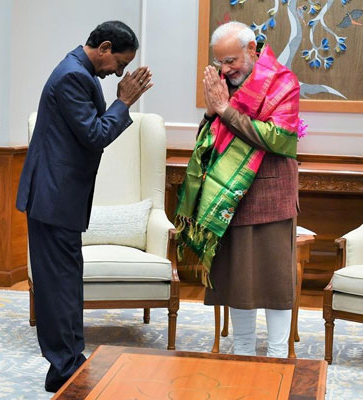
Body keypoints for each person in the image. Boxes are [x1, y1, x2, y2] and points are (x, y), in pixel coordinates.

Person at [15, 20, 153, 392]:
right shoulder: (72, 77)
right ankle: (63, 368)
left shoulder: (80, 72)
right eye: (119, 63)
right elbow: (94, 135)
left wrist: (120, 100)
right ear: (104, 47)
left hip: (60, 198)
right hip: (52, 198)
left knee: (65, 283)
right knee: (56, 286)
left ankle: (71, 363)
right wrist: (123, 102)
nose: (119, 72)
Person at [175, 21, 302, 358]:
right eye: (220, 62)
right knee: (238, 281)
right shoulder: (224, 88)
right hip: (228, 197)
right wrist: (210, 112)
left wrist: (224, 110)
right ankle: (243, 351)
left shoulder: (282, 83)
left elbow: (278, 139)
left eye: (231, 60)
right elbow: (208, 140)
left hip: (271, 197)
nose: (225, 69)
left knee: (275, 283)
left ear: (251, 50)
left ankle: (277, 354)